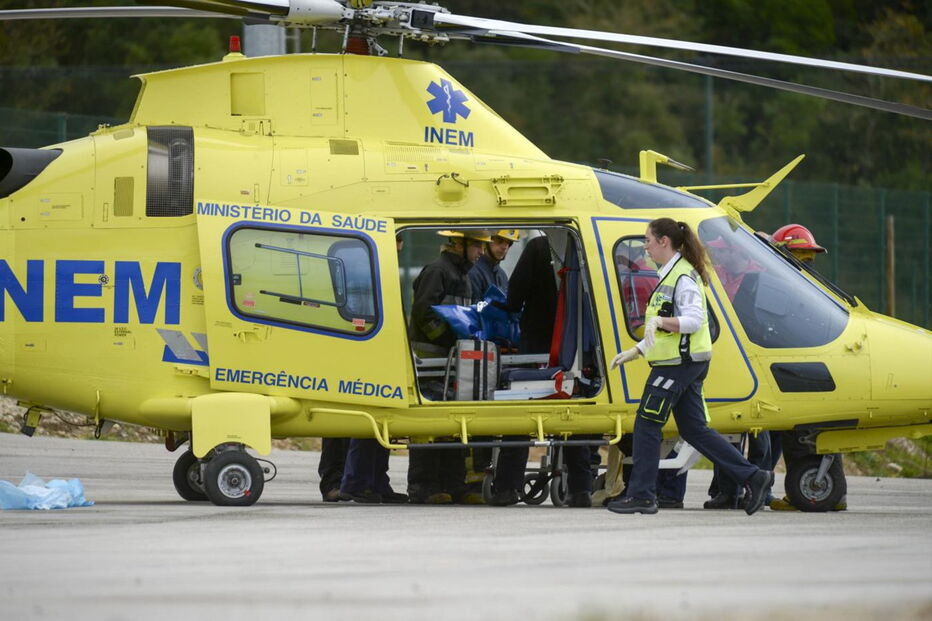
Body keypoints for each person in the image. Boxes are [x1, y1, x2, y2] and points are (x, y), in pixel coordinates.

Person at [606, 218, 773, 516]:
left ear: (663, 242)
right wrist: (638, 350)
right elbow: (660, 330)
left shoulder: (682, 278)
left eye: (647, 240)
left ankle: (643, 495)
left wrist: (659, 322)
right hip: (682, 363)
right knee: (694, 429)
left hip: (678, 366)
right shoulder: (670, 275)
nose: (645, 246)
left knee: (646, 424)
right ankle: (754, 476)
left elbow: (695, 320)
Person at [489, 230, 595, 508]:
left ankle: (507, 487)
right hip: (575, 347)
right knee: (573, 414)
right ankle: (581, 488)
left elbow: (515, 296)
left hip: (537, 345)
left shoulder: (538, 247)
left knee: (523, 410)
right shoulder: (585, 245)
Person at [769, 223, 847, 512]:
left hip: (797, 370)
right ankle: (836, 494)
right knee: (824, 432)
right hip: (824, 367)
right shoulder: (820, 286)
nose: (806, 263)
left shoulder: (788, 287)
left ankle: (807, 493)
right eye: (805, 257)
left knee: (800, 432)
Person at [407, 230, 489, 504]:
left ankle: (455, 486)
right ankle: (424, 487)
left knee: (454, 424)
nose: (480, 252)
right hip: (431, 360)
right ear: (459, 243)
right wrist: (445, 338)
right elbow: (423, 311)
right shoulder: (437, 271)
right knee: (429, 425)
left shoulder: (464, 275)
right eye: (477, 246)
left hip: (453, 360)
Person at [469, 229, 519, 303]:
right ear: (487, 240)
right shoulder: (473, 271)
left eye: (509, 242)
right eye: (499, 240)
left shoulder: (502, 275)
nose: (505, 247)